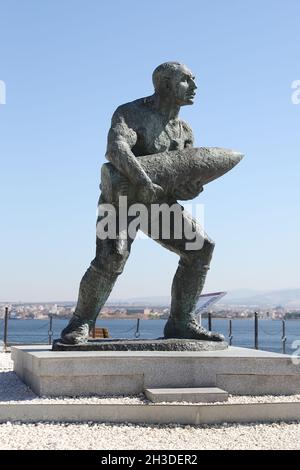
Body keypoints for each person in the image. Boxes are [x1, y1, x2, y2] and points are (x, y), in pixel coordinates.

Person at [60, 61, 224, 344]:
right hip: (120, 201)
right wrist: (142, 181)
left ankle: (181, 322)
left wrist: (190, 190)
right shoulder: (131, 113)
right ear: (164, 84)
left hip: (159, 205)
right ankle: (80, 323)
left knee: (200, 248)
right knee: (112, 257)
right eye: (187, 80)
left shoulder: (183, 131)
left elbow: (180, 179)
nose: (195, 87)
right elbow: (116, 148)